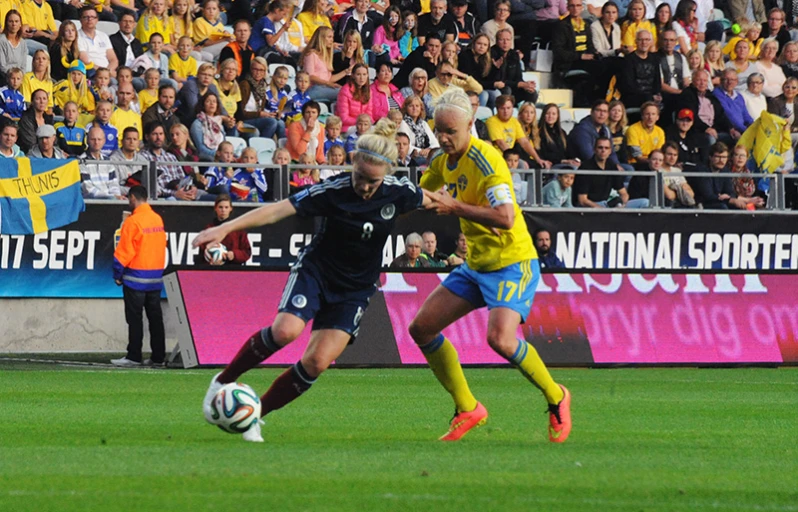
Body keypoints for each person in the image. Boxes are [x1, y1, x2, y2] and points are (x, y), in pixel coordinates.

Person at [197, 118, 430, 442]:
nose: (364, 186)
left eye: (373, 182)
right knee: (285, 331)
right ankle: (223, 381)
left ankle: (253, 416)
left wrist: (468, 210)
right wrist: (225, 228)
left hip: (356, 289)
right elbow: (279, 209)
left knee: (318, 362)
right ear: (353, 163)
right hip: (318, 272)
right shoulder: (333, 191)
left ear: (387, 174)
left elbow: (434, 200)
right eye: (360, 177)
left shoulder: (400, 192)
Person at [410, 88, 571, 443]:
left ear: (471, 125)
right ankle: (468, 407)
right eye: (439, 131)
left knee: (499, 338)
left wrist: (453, 208)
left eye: (451, 131)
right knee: (421, 329)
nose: (444, 138)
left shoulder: (487, 161)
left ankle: (557, 396)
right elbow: (424, 193)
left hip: (512, 261)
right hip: (477, 264)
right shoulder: (442, 160)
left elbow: (507, 217)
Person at [111, 185, 167, 367]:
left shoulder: (132, 222)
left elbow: (124, 252)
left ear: (133, 198)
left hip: (135, 279)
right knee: (155, 319)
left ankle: (134, 355)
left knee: (135, 319)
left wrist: (117, 274)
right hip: (155, 279)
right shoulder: (157, 219)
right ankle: (158, 357)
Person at [575, 136, 646, 208]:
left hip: (609, 204)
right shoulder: (585, 167)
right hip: (591, 206)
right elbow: (582, 200)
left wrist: (622, 205)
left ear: (610, 151)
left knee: (644, 202)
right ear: (594, 149)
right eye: (600, 147)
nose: (603, 150)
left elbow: (624, 193)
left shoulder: (611, 165)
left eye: (606, 148)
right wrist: (601, 209)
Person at [486, 94, 549, 168]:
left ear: (513, 108)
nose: (506, 111)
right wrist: (515, 160)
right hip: (498, 157)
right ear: (497, 109)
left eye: (508, 108)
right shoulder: (491, 121)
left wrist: (538, 159)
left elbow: (524, 142)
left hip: (510, 157)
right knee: (522, 164)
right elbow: (500, 143)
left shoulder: (514, 121)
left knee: (538, 165)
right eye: (502, 108)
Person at [141, 121, 196, 200]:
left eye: (161, 134)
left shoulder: (171, 156)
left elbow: (183, 178)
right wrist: (175, 193)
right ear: (147, 137)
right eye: (154, 134)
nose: (158, 137)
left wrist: (191, 187)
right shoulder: (143, 157)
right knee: (171, 199)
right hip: (163, 196)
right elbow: (152, 187)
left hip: (181, 191)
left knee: (207, 196)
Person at [677, 69, 732, 144]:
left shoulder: (711, 96)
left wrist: (731, 129)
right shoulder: (687, 94)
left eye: (705, 80)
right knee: (710, 140)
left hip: (714, 131)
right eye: (699, 80)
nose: (702, 83)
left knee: (733, 138)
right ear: (693, 81)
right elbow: (691, 117)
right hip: (697, 131)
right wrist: (706, 128)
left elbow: (721, 115)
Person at [198, 194, 253, 264]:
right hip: (213, 270)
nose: (223, 210)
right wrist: (210, 259)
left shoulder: (238, 229)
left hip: (233, 269)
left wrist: (234, 255)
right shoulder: (209, 229)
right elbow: (202, 252)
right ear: (215, 208)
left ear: (231, 209)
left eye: (226, 207)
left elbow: (247, 252)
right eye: (220, 207)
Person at [692, 142, 749, 209]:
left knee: (740, 206)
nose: (721, 160)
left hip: (720, 200)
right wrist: (727, 199)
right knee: (723, 207)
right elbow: (708, 196)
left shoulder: (725, 171)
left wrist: (728, 197)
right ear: (710, 157)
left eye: (724, 157)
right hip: (704, 204)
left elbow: (731, 192)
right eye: (718, 157)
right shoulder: (702, 170)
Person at [488, 29, 536, 104]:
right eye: (502, 40)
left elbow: (518, 77)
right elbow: (499, 80)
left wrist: (527, 85)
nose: (505, 42)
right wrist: (519, 84)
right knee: (507, 90)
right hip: (497, 87)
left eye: (508, 40)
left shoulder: (514, 54)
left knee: (531, 92)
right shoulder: (491, 54)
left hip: (513, 87)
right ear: (496, 41)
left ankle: (526, 112)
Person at [301, 27, 347, 103]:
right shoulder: (311, 54)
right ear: (321, 38)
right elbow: (309, 76)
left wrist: (346, 71)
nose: (332, 40)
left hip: (324, 87)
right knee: (345, 93)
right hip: (314, 88)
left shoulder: (326, 56)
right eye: (329, 37)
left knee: (347, 90)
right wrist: (328, 84)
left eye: (332, 37)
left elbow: (328, 78)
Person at [618, 29, 661, 108]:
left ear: (651, 42)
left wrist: (657, 95)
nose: (644, 43)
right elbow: (628, 86)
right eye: (640, 40)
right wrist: (650, 97)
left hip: (651, 97)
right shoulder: (628, 60)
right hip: (634, 98)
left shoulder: (654, 59)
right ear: (636, 42)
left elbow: (657, 81)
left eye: (647, 40)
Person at [80, 126, 124, 199]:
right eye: (93, 139)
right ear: (87, 140)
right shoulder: (81, 161)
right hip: (91, 204)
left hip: (110, 203)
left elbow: (114, 184)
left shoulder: (108, 161)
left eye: (99, 139)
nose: (96, 142)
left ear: (104, 141)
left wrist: (116, 197)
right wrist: (111, 197)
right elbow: (88, 189)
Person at [713, 69, 754, 139]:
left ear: (737, 81)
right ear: (721, 80)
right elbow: (729, 115)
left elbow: (746, 115)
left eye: (732, 80)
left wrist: (754, 127)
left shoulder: (739, 96)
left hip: (742, 130)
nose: (729, 82)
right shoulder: (717, 94)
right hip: (726, 129)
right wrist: (746, 131)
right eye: (726, 79)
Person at [78, 6, 118, 78]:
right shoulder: (77, 36)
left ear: (97, 20)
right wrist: (104, 73)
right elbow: (85, 61)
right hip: (92, 73)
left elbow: (113, 59)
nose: (89, 19)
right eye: (86, 17)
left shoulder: (103, 35)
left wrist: (107, 72)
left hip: (108, 72)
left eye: (92, 17)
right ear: (80, 20)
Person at [336, 63, 374, 132]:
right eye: (358, 74)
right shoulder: (345, 91)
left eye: (364, 74)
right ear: (353, 75)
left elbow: (369, 114)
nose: (362, 78)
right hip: (348, 127)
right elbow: (343, 118)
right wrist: (361, 122)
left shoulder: (369, 91)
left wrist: (366, 123)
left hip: (364, 125)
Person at [110, 127, 147, 194]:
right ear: (122, 141)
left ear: (138, 142)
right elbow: (113, 186)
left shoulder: (143, 160)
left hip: (140, 197)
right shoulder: (113, 159)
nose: (131, 142)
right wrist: (135, 191)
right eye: (128, 139)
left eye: (134, 139)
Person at [191, 91, 226, 161]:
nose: (212, 103)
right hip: (207, 157)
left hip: (221, 156)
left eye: (214, 101)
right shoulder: (197, 124)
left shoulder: (219, 123)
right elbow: (201, 148)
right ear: (203, 105)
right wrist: (218, 155)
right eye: (208, 101)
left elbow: (225, 144)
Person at [660, 141, 696, 207]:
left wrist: (675, 191)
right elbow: (669, 195)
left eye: (675, 155)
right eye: (669, 154)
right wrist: (681, 191)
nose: (672, 158)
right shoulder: (658, 171)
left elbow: (691, 194)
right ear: (663, 154)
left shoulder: (677, 171)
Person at [18, 88, 53, 154]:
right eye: (38, 99)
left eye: (44, 99)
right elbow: (30, 142)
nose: (42, 101)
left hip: (47, 153)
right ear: (32, 102)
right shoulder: (26, 118)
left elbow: (54, 140)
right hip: (30, 153)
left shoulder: (49, 119)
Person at [0, 10, 27, 82]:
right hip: (4, 78)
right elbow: (2, 66)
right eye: (11, 21)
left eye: (16, 21)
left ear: (20, 24)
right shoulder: (1, 40)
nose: (14, 24)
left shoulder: (23, 43)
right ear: (6, 23)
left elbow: (23, 66)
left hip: (19, 79)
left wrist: (18, 77)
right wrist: (14, 77)